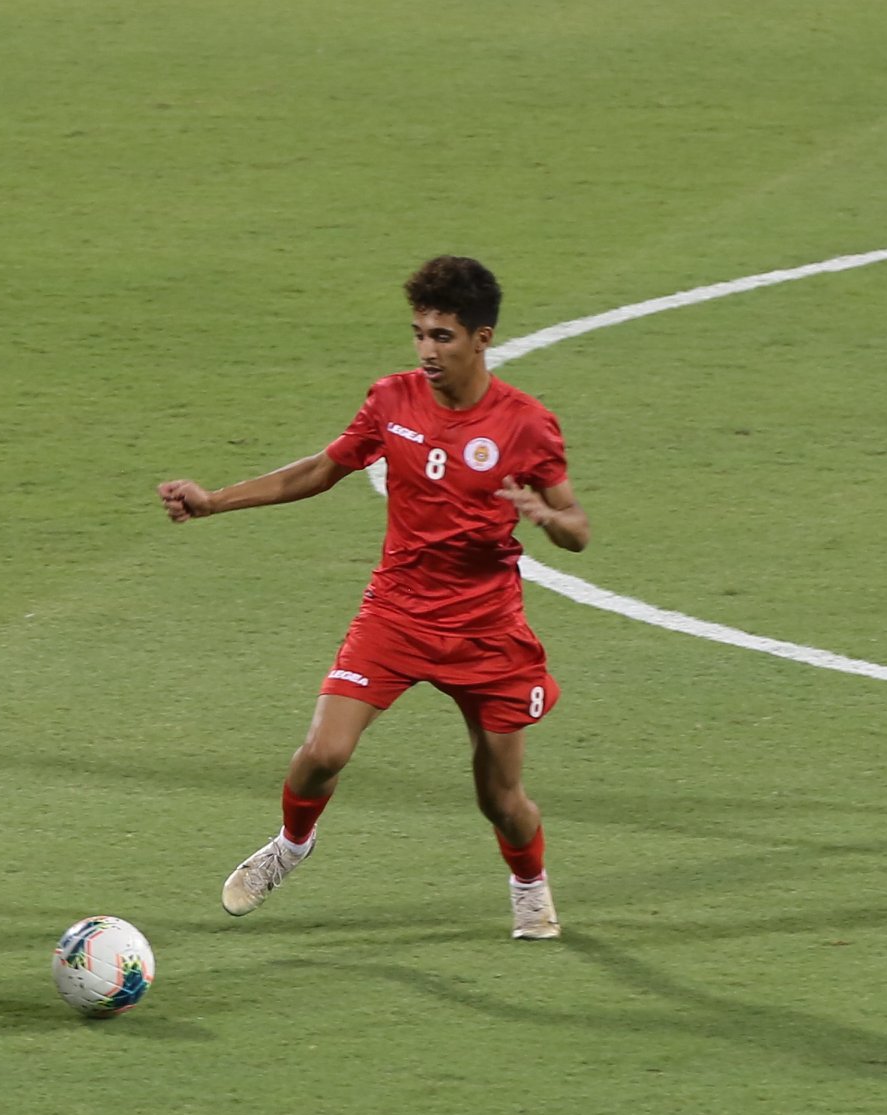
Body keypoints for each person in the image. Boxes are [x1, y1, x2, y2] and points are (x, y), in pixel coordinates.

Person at [158, 256, 590, 936]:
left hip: (486, 630)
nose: (426, 351)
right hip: (396, 612)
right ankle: (290, 846)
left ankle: (530, 885)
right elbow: (319, 470)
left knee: (500, 798)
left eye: (442, 336)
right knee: (322, 752)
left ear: (481, 338)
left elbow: (578, 529)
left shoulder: (526, 424)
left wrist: (546, 518)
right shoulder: (392, 400)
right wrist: (214, 501)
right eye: (418, 333)